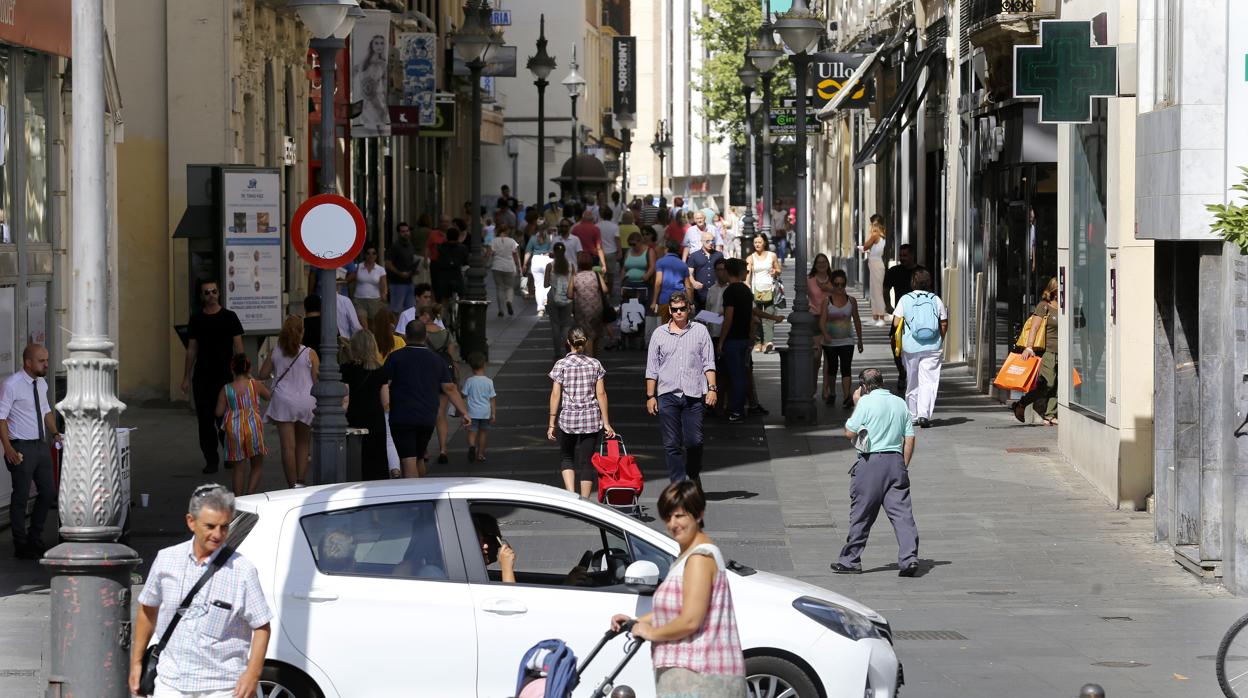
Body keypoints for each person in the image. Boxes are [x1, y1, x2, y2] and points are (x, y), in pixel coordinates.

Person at [130, 485, 272, 698]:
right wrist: (136, 662)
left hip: (222, 689)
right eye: (210, 526)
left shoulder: (242, 571)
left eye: (224, 527)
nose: (218, 534)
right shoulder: (166, 560)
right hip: (171, 685)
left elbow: (262, 626)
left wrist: (252, 674)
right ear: (191, 522)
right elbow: (147, 611)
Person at [609, 481, 745, 695]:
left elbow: (690, 620)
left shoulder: (700, 557)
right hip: (691, 675)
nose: (673, 523)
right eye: (668, 516)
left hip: (700, 677)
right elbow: (677, 609)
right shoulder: (687, 556)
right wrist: (636, 622)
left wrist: (651, 632)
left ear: (699, 514)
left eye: (680, 516)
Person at [830, 368, 921, 577]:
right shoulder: (899, 402)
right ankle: (909, 558)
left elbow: (849, 432)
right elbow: (910, 437)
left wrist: (856, 404)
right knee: (902, 514)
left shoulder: (865, 402)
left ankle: (851, 560)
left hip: (871, 463)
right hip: (896, 462)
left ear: (863, 386)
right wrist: (903, 465)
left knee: (862, 513)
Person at [646, 292, 717, 485]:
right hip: (667, 394)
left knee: (694, 441)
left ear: (689, 309)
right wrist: (650, 396)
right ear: (669, 310)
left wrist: (712, 388)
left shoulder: (700, 331)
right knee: (671, 443)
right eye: (674, 309)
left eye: (682, 309)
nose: (678, 313)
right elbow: (652, 367)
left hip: (693, 393)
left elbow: (708, 362)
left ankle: (693, 474)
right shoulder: (659, 334)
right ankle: (677, 484)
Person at [383, 321, 470, 478]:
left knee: (407, 461)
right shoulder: (437, 360)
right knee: (419, 459)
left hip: (402, 416)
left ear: (406, 336)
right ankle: (423, 493)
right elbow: (449, 388)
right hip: (427, 417)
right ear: (425, 336)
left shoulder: (395, 358)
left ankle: (413, 499)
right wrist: (464, 412)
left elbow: (385, 384)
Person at [0, 344, 60, 559]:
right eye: (41, 361)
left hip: (40, 445)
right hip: (21, 446)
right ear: (28, 362)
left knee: (48, 492)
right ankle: (21, 544)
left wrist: (55, 434)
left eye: (46, 360)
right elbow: (1, 418)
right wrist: (7, 448)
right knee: (21, 496)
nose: (46, 364)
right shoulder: (12, 385)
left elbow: (45, 410)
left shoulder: (41, 383)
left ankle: (35, 537)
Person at [182, 279, 245, 474]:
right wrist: (185, 377)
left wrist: (241, 374)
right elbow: (191, 350)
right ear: (201, 296)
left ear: (219, 294)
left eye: (214, 291)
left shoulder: (229, 317)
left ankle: (229, 454)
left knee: (225, 419)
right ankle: (211, 460)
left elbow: (238, 347)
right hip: (202, 376)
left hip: (225, 376)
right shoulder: (196, 319)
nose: (211, 295)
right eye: (206, 292)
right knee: (205, 420)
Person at [547, 327, 615, 497]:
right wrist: (606, 423)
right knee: (587, 461)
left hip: (568, 418)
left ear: (568, 342)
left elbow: (556, 394)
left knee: (567, 457)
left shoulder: (561, 365)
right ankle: (585, 501)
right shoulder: (595, 364)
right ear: (585, 342)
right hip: (591, 418)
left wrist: (551, 422)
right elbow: (601, 394)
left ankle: (571, 497)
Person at [718, 259, 784, 423]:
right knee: (741, 374)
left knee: (736, 376)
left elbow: (728, 318)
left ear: (727, 271)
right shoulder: (746, 291)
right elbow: (753, 312)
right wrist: (774, 317)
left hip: (733, 339)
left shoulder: (730, 292)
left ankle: (737, 410)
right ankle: (739, 408)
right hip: (745, 339)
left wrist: (721, 341)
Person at [259, 316, 318, 488]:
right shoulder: (310, 353)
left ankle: (291, 485)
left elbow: (262, 374)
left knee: (287, 447)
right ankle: (301, 480)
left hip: (283, 402)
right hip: (307, 402)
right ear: (302, 332)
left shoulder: (276, 351)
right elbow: (316, 381)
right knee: (303, 443)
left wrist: (275, 373)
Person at [893, 268, 948, 427]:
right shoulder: (936, 299)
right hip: (933, 347)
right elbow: (943, 322)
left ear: (913, 282)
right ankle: (924, 415)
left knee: (912, 380)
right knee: (929, 381)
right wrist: (940, 338)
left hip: (911, 347)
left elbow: (896, 322)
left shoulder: (905, 299)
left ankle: (912, 415)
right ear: (929, 283)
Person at [215, 354, 269, 496]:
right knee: (257, 466)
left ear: (232, 368)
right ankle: (250, 494)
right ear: (249, 368)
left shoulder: (226, 389)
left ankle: (238, 500)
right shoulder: (255, 385)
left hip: (234, 430)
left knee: (238, 469)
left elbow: (219, 412)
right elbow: (269, 396)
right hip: (253, 429)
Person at [341, 330, 389, 480]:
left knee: (355, 459)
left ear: (354, 348)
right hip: (375, 419)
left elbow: (345, 401)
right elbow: (386, 402)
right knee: (376, 459)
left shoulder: (346, 370)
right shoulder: (381, 371)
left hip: (354, 418)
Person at [1013, 277, 1060, 426]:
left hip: (1062, 352)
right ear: (1054, 291)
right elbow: (1034, 327)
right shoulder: (1044, 306)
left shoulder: (1065, 307)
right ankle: (1022, 403)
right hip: (1047, 351)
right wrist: (1029, 347)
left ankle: (1050, 415)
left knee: (1058, 384)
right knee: (1048, 383)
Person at [820, 270, 865, 408]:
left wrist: (860, 339)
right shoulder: (827, 301)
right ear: (832, 285)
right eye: (836, 284)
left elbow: (856, 320)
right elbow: (822, 321)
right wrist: (825, 334)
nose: (840, 287)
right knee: (832, 369)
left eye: (842, 284)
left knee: (846, 368)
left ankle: (846, 397)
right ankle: (832, 392)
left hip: (847, 341)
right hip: (830, 342)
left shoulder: (851, 301)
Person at [423, 304, 459, 465]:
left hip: (427, 376)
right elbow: (451, 357)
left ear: (426, 315)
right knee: (440, 414)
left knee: (425, 413)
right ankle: (443, 449)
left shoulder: (421, 333)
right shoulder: (446, 333)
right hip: (444, 374)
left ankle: (423, 450)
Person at [883, 243, 920, 391]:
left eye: (905, 256)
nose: (902, 258)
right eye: (901, 256)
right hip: (900, 314)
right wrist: (888, 305)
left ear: (912, 256)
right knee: (895, 343)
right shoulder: (894, 271)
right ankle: (902, 371)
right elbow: (886, 288)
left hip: (917, 316)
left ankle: (914, 373)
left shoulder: (920, 272)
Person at [747, 234, 781, 353]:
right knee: (756, 318)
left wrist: (775, 271)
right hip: (755, 291)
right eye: (755, 242)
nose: (757, 244)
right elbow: (748, 273)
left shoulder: (772, 256)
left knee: (769, 315)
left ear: (764, 243)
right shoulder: (751, 257)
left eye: (759, 242)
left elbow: (779, 270)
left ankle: (768, 342)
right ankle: (758, 342)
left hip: (769, 289)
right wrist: (747, 284)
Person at [570, 252, 609, 357]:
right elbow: (605, 289)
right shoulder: (596, 275)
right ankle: (595, 358)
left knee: (587, 334)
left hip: (581, 309)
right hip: (596, 308)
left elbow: (569, 295)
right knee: (595, 333)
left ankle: (590, 359)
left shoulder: (575, 276)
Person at [462, 352, 496, 462]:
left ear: (471, 367)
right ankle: (480, 454)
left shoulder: (469, 381)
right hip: (485, 413)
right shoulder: (489, 382)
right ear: (484, 365)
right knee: (483, 433)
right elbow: (492, 399)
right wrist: (493, 413)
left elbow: (463, 395)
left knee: (472, 432)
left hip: (472, 413)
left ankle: (472, 446)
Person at [545, 243, 576, 361]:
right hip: (568, 297)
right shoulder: (571, 265)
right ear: (565, 251)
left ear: (554, 252)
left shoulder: (550, 266)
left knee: (555, 325)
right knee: (566, 324)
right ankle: (567, 347)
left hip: (553, 297)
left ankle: (557, 353)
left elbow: (545, 284)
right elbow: (574, 281)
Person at [652, 240, 692, 323]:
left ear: (666, 249)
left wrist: (654, 301)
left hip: (664, 300)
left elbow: (658, 282)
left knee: (664, 327)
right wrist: (690, 302)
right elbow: (688, 286)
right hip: (680, 302)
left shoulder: (660, 262)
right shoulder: (683, 264)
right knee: (679, 326)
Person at [488, 223, 521, 317]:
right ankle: (509, 301)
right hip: (509, 267)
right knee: (509, 287)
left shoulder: (494, 241)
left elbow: (490, 253)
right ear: (507, 231)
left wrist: (486, 262)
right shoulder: (512, 241)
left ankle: (501, 310)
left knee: (499, 288)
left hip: (497, 266)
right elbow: (515, 255)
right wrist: (519, 266)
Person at [386, 221, 420, 313]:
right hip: (397, 283)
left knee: (410, 310)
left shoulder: (410, 245)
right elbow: (388, 264)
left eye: (407, 231)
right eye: (403, 231)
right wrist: (400, 273)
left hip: (409, 282)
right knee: (396, 310)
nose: (406, 233)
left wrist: (414, 270)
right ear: (399, 233)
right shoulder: (395, 247)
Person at [861, 214, 888, 326]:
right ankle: (875, 316)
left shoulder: (875, 235)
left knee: (877, 292)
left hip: (876, 265)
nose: (871, 226)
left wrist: (863, 248)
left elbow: (865, 246)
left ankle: (881, 317)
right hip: (874, 264)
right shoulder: (880, 236)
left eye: (872, 224)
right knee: (873, 291)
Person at [686, 230, 723, 308]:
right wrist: (693, 282)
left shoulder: (719, 255)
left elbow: (723, 272)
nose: (711, 243)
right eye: (708, 241)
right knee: (700, 317)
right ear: (702, 241)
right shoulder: (694, 255)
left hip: (716, 292)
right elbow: (689, 273)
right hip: (700, 293)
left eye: (712, 241)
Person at [524, 223, 554, 317]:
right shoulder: (550, 237)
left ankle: (540, 309)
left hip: (536, 260)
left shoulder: (533, 238)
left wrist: (524, 264)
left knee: (538, 286)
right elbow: (553, 250)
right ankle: (546, 302)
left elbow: (528, 252)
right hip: (547, 260)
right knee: (548, 283)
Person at [351, 246, 388, 322]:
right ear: (365, 255)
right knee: (362, 323)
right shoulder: (358, 267)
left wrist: (384, 294)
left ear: (376, 256)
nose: (371, 255)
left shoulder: (380, 269)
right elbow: (351, 279)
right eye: (368, 253)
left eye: (373, 253)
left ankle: (371, 334)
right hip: (359, 300)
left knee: (373, 324)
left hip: (375, 301)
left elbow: (384, 284)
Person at [621, 231, 656, 308]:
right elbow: (625, 267)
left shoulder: (649, 251)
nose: (632, 246)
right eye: (630, 244)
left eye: (634, 244)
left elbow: (653, 266)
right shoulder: (628, 251)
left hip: (643, 284)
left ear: (640, 242)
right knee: (628, 307)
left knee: (641, 306)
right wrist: (622, 277)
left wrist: (647, 275)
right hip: (628, 284)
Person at [333, 268, 364, 339]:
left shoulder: (319, 299)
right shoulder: (345, 300)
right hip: (343, 341)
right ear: (338, 286)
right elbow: (355, 326)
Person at [598, 206, 621, 298]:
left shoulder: (597, 225)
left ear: (602, 215)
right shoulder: (615, 226)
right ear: (611, 216)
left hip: (601, 252)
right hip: (612, 252)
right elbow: (617, 239)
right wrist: (619, 251)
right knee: (611, 274)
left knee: (601, 274)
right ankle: (610, 293)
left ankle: (602, 292)